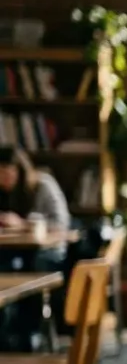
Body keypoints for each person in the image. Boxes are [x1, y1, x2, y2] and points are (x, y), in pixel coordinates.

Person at [0, 146, 71, 350]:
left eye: (7, 172)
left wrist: (22, 224)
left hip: (48, 252)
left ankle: (28, 335)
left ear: (19, 170)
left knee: (28, 270)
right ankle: (8, 336)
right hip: (12, 252)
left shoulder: (42, 185)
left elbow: (61, 224)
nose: (4, 179)